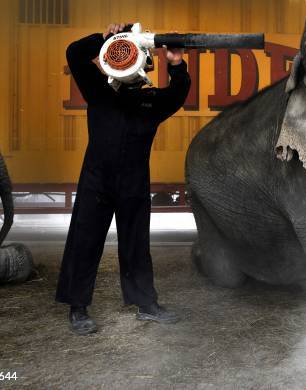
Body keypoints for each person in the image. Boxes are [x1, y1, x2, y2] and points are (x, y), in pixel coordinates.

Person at [55, 23, 191, 335]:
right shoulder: (98, 91)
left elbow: (179, 92)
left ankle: (146, 305)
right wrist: (103, 38)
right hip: (96, 182)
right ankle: (78, 308)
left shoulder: (152, 102)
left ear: (145, 62)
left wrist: (176, 62)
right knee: (84, 242)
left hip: (133, 184)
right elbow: (75, 53)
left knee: (136, 245)